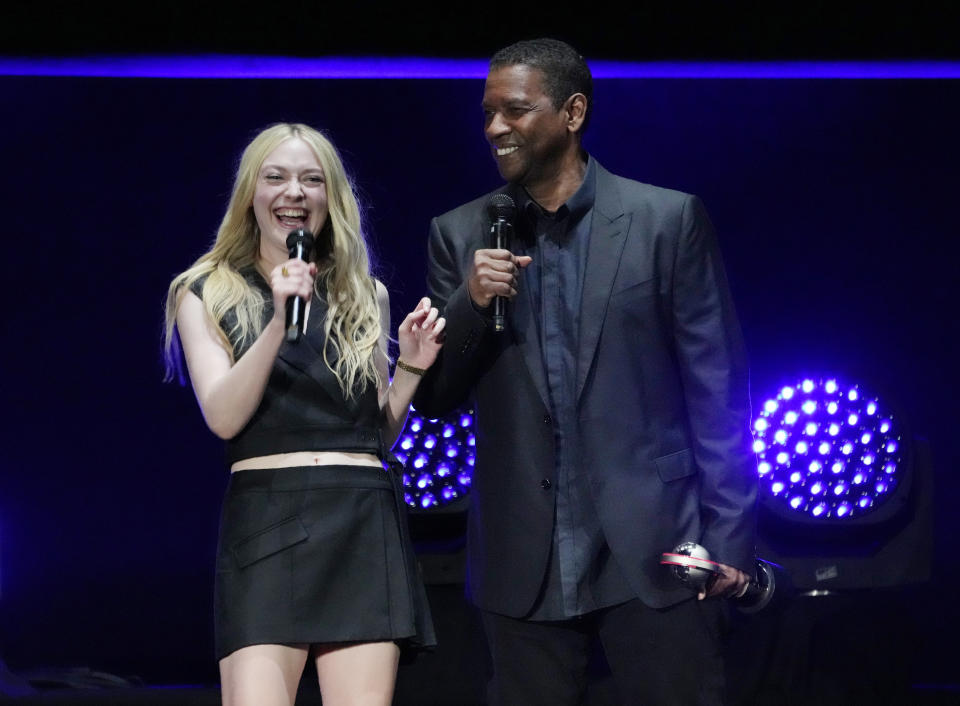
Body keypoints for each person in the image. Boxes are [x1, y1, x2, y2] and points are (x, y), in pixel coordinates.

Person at [412, 39, 757, 705]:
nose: (494, 128)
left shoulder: (665, 220)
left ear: (573, 112)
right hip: (523, 558)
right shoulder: (459, 234)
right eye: (486, 112)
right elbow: (435, 398)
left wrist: (730, 540)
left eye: (514, 110)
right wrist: (471, 304)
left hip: (657, 547)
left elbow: (717, 392)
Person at [163, 122, 443, 706]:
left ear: (330, 198)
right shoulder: (204, 290)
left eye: (311, 180)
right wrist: (276, 321)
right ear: (251, 195)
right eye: (277, 177)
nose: (294, 192)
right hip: (268, 520)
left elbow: (373, 438)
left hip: (361, 519)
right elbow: (222, 416)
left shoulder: (368, 294)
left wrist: (411, 370)